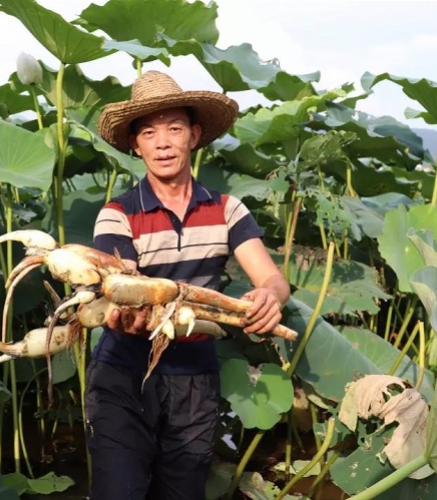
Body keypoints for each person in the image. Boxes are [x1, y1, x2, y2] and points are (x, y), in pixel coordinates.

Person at [85, 70, 290, 500]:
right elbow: (124, 292)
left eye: (174, 129)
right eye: (149, 132)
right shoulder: (117, 215)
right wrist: (131, 319)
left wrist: (269, 296)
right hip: (125, 374)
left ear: (194, 136)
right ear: (135, 145)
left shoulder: (227, 210)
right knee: (118, 491)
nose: (162, 142)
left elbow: (270, 277)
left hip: (195, 376)